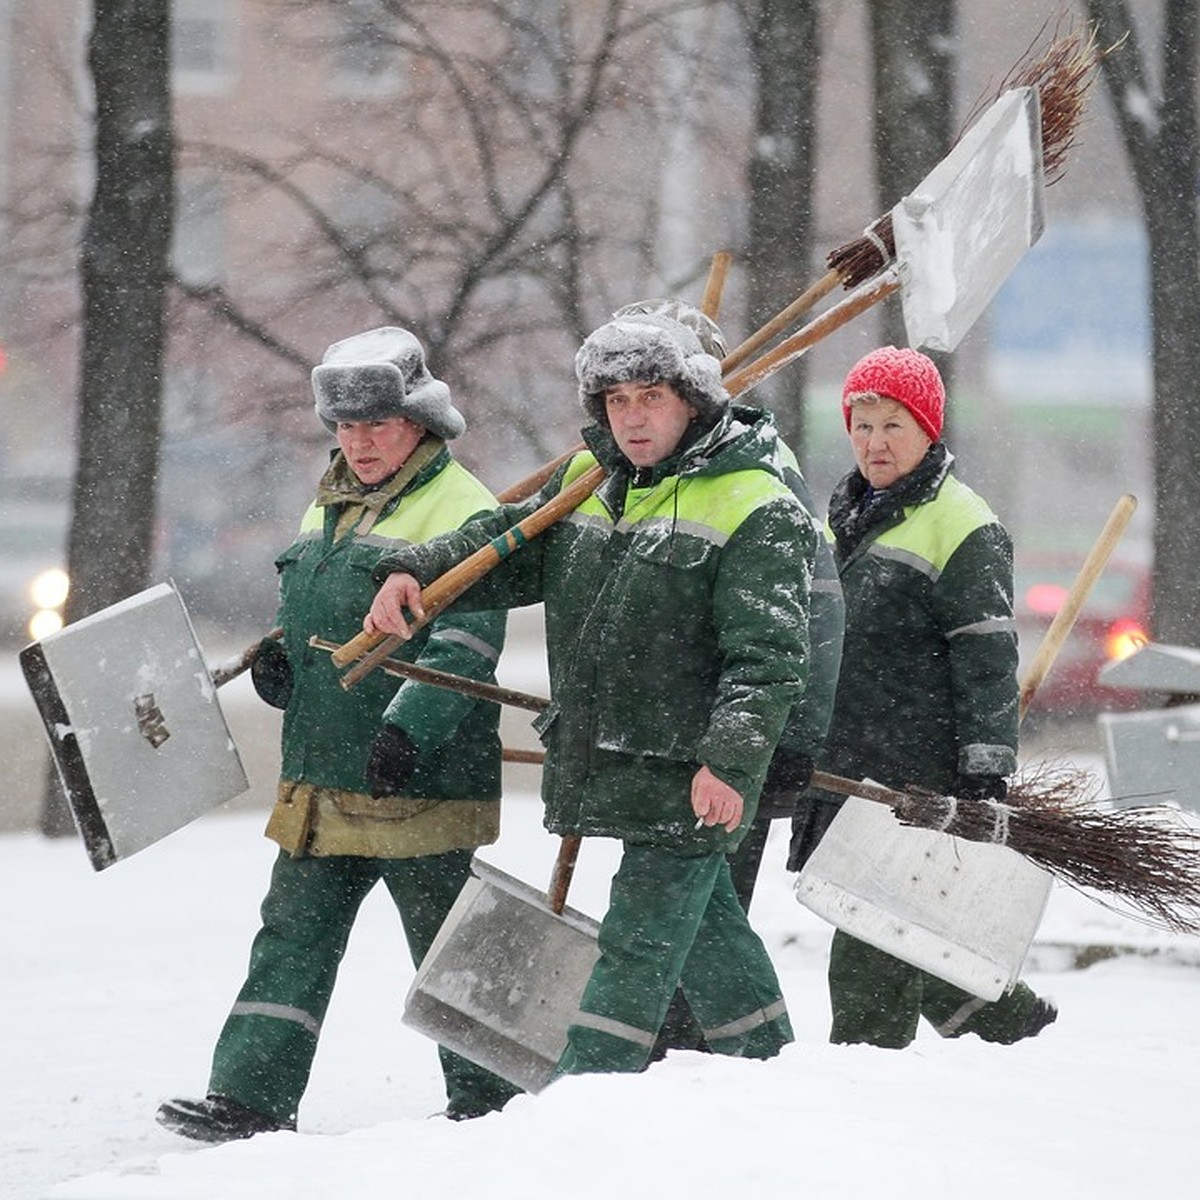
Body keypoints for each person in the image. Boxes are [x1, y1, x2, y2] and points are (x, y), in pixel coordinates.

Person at [366, 311, 814, 1076]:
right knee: (705, 931)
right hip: (608, 757)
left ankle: (583, 1096)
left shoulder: (755, 503)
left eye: (650, 397)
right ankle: (770, 1067)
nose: (632, 418)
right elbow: (503, 544)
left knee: (635, 946)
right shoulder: (588, 482)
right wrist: (415, 569)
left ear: (692, 401)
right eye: (616, 402)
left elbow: (767, 658)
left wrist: (729, 764)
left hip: (686, 771)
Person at [156, 326, 520, 1142]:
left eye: (377, 425)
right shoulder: (328, 500)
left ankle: (495, 1104)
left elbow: (469, 636)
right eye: (346, 426)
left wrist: (409, 731)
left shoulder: (462, 507)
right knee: (291, 936)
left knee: (446, 944)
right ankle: (248, 1098)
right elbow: (310, 606)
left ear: (420, 422)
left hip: (415, 781)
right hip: (322, 775)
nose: (359, 442)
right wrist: (281, 653)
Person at [788, 344, 1057, 1048]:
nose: (875, 443)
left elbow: (988, 654)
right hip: (850, 750)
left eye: (893, 426)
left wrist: (986, 766)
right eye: (862, 425)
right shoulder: (847, 513)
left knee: (868, 924)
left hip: (915, 762)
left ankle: (865, 1067)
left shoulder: (964, 524)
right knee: (878, 915)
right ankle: (1002, 1018)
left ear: (928, 430)